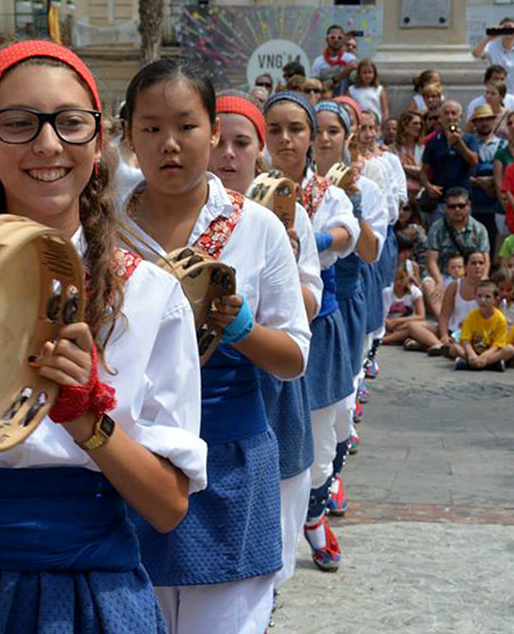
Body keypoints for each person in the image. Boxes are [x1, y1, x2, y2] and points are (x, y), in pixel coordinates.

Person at [0, 40, 206, 634]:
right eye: (19, 124)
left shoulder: (151, 295)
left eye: (71, 123)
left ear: (98, 144)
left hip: (96, 596)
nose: (48, 144)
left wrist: (84, 416)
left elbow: (168, 507)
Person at [120, 64, 309, 633]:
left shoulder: (256, 227)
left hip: (228, 460)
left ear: (212, 131)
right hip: (130, 462)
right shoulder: (107, 223)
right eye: (150, 129)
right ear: (128, 134)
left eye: (186, 126)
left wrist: (242, 330)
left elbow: (294, 355)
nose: (169, 144)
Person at [209, 93, 322, 595]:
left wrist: (286, 264)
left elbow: (311, 306)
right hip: (212, 396)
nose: (227, 155)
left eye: (242, 143)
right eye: (218, 141)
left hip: (271, 385)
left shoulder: (283, 220)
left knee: (274, 518)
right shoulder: (176, 215)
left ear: (260, 153)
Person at [262, 91, 358, 576]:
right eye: (274, 128)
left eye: (296, 129)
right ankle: (275, 536)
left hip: (318, 327)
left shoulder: (327, 193)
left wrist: (314, 241)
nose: (285, 139)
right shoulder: (247, 188)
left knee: (327, 434)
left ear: (312, 137)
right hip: (258, 333)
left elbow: (347, 234)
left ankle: (315, 513)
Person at [314, 99, 386, 516]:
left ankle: (330, 478)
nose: (324, 139)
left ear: (347, 137)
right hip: (307, 304)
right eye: (318, 130)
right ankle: (311, 504)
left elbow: (372, 252)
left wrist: (354, 205)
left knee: (341, 409)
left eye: (333, 131)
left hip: (346, 299)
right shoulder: (292, 183)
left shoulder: (366, 186)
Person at [425, 186, 489, 317]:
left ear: (468, 205)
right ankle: (444, 322)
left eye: (461, 205)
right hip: (444, 274)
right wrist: (439, 282)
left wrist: (483, 278)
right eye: (452, 206)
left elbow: (485, 258)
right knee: (428, 283)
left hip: (469, 275)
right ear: (445, 208)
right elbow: (431, 260)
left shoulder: (479, 229)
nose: (457, 210)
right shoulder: (437, 228)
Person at [421, 100, 478, 225]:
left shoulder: (469, 138)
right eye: (446, 113)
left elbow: (474, 161)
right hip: (440, 200)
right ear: (441, 117)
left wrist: (459, 144)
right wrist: (428, 186)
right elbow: (424, 171)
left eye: (454, 113)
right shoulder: (434, 141)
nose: (450, 117)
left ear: (460, 117)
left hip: (462, 200)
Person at [467, 104, 506, 259]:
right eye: (480, 120)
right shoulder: (468, 143)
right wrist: (477, 182)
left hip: (495, 204)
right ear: (475, 123)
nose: (484, 123)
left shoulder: (504, 145)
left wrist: (492, 181)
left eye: (487, 119)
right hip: (474, 203)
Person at [471, 17, 514, 103]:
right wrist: (489, 38)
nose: (508, 32)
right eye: (505, 29)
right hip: (498, 97)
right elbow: (476, 54)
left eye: (511, 29)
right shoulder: (492, 46)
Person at [454, 279, 514, 370]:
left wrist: (485, 356)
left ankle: (475, 364)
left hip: (490, 353)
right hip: (474, 351)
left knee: (510, 349)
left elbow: (497, 345)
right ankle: (489, 365)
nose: (483, 300)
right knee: (454, 347)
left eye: (487, 297)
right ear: (475, 297)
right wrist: (471, 354)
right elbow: (465, 340)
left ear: (495, 299)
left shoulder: (500, 319)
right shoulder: (470, 316)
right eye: (479, 296)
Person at [437, 250, 488, 359]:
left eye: (481, 263)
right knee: (414, 327)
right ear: (465, 266)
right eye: (474, 263)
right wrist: (444, 335)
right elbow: (444, 316)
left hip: (479, 335)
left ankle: (466, 357)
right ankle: (441, 345)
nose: (478, 266)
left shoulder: (490, 288)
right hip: (455, 333)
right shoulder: (455, 286)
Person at [382, 266, 444, 352]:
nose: (398, 283)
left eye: (402, 279)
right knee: (409, 330)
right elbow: (382, 315)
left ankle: (384, 340)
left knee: (411, 328)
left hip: (406, 324)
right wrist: (389, 323)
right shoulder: (386, 292)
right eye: (395, 279)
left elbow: (421, 315)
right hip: (389, 325)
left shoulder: (415, 292)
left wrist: (398, 321)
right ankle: (412, 341)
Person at [310, 25, 358, 97]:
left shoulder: (350, 58)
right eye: (333, 37)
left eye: (339, 38)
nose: (336, 40)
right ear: (327, 39)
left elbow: (356, 68)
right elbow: (313, 85)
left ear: (343, 40)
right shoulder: (318, 62)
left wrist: (334, 80)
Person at [348, 59, 388, 126]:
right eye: (364, 73)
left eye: (370, 72)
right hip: (359, 122)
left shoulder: (379, 89)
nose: (367, 75)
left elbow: (385, 110)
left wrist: (384, 124)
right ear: (359, 74)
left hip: (376, 123)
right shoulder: (352, 90)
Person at [395, 111, 425, 198]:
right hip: (400, 193)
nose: (418, 127)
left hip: (420, 194)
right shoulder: (393, 149)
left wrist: (404, 167)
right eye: (415, 124)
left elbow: (424, 171)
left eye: (420, 124)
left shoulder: (423, 149)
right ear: (405, 126)